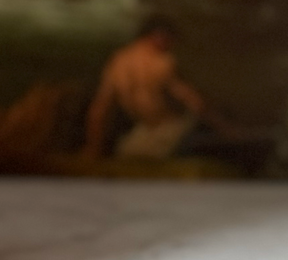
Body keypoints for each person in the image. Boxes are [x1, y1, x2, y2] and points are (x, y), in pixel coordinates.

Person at [83, 17, 210, 160]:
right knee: (128, 154)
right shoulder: (162, 62)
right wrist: (93, 148)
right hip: (163, 129)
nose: (171, 47)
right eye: (171, 41)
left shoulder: (118, 62)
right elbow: (194, 101)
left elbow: (99, 109)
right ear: (160, 36)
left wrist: (92, 147)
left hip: (164, 129)